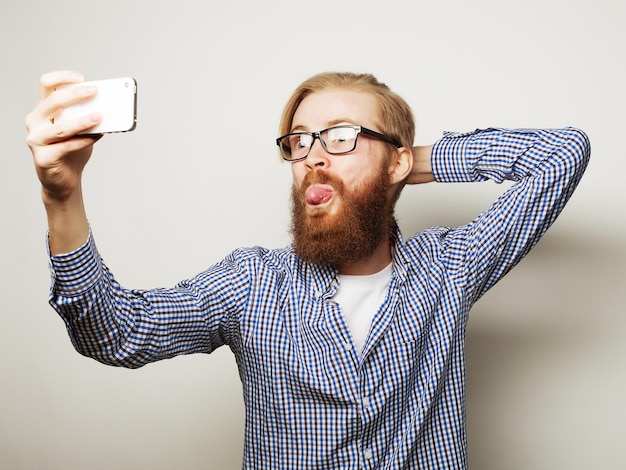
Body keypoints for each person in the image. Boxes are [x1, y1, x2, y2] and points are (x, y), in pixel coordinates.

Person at [25, 70, 590, 469]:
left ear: (397, 160)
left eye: (341, 137)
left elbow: (561, 156)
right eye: (300, 142)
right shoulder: (251, 285)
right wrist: (62, 195)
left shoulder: (449, 268)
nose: (313, 157)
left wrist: (415, 161)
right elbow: (116, 333)